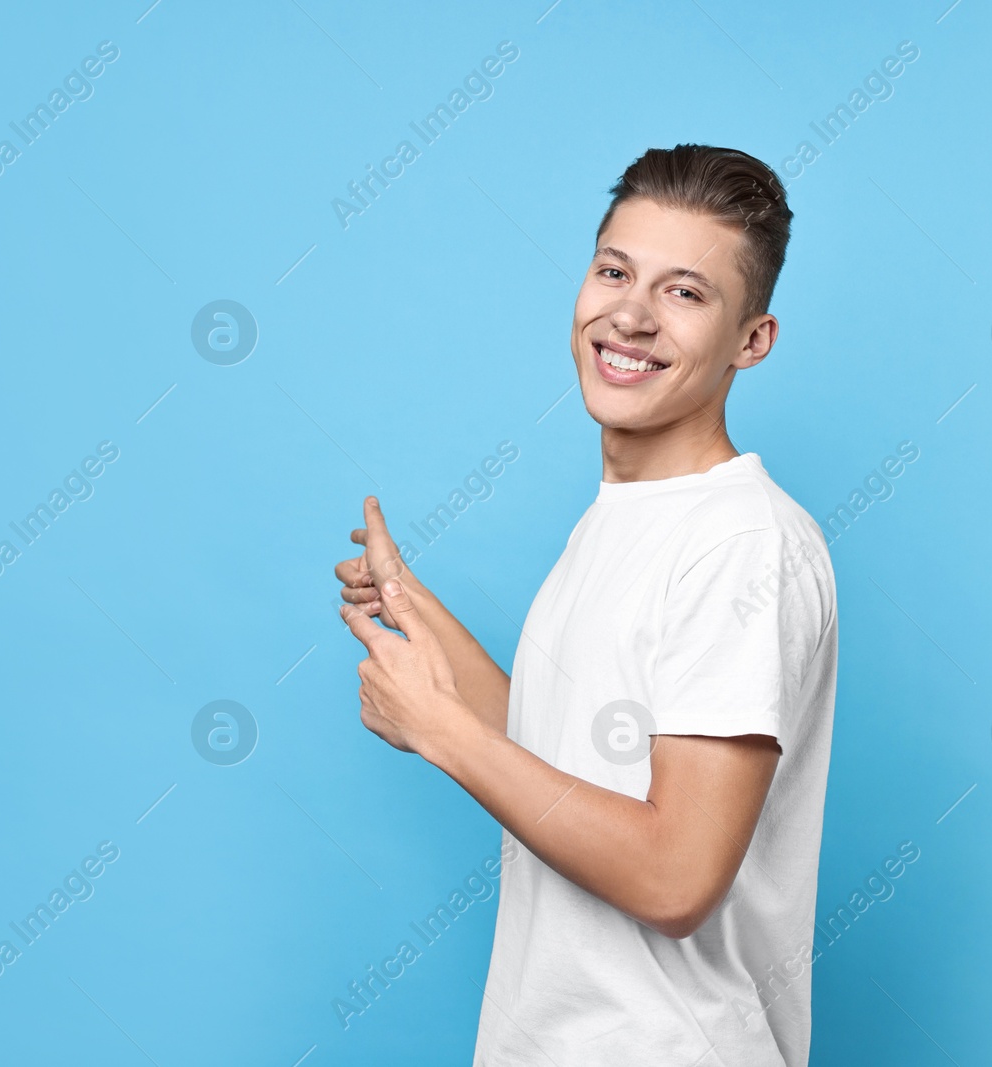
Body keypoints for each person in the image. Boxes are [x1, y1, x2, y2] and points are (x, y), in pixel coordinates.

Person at [335, 143, 838, 1065]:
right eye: (615, 271)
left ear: (751, 340)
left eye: (685, 293)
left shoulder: (740, 545)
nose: (631, 316)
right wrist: (419, 615)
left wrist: (439, 729)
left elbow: (674, 874)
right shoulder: (617, 523)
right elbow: (559, 752)